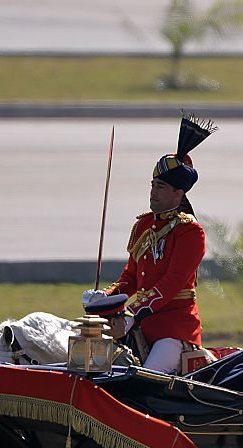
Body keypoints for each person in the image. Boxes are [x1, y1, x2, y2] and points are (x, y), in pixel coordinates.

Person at [82, 114, 216, 373]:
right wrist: (106, 297)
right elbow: (130, 278)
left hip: (173, 330)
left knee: (146, 376)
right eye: (153, 184)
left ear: (179, 194)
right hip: (139, 324)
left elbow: (172, 283)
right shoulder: (143, 226)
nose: (153, 192)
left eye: (161, 187)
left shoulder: (190, 232)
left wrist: (132, 315)